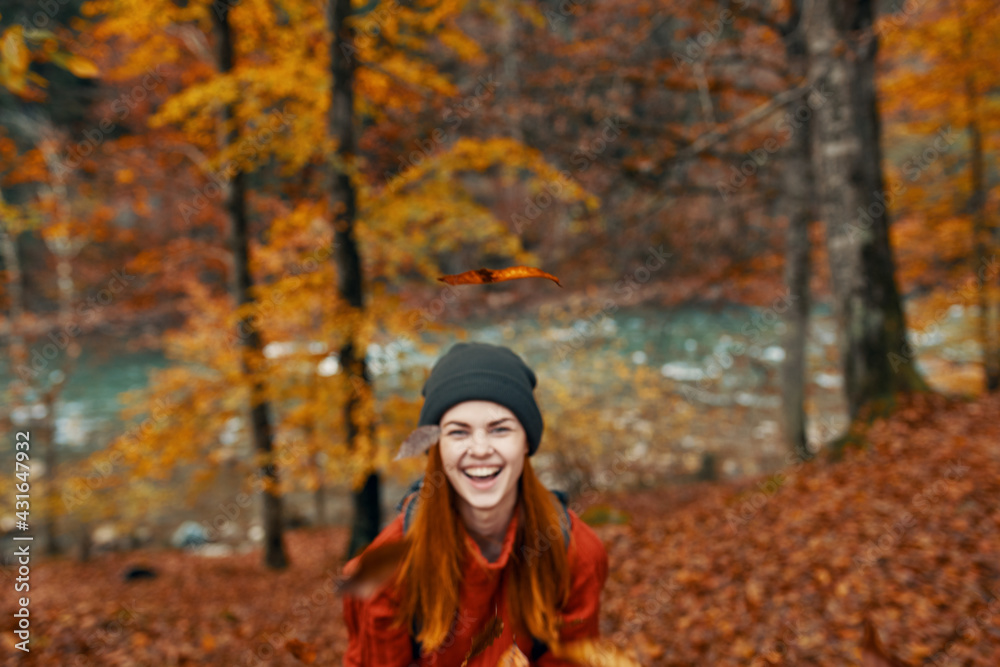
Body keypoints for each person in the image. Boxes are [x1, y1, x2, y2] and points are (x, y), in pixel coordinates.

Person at [342, 342, 609, 666]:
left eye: (499, 429)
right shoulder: (384, 573)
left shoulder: (576, 552)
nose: (480, 449)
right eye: (458, 432)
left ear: (526, 441)